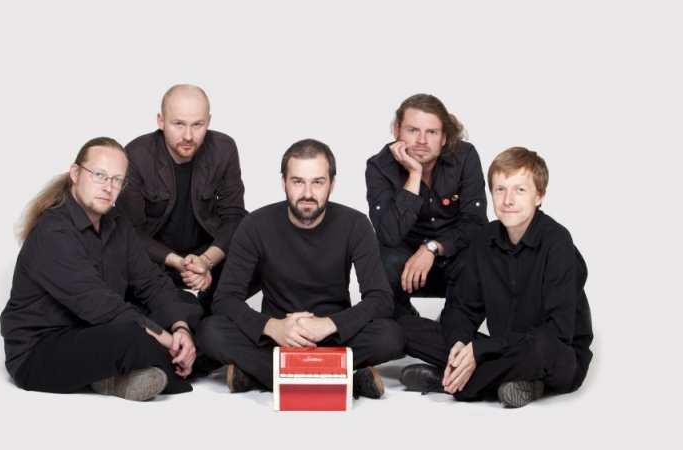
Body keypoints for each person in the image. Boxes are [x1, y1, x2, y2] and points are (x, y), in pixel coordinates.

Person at [196, 138, 405, 400]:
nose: (307, 193)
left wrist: (328, 324)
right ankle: (340, 376)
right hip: (275, 338)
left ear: (332, 184)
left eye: (317, 182)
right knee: (210, 331)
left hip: (334, 336)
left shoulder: (355, 224)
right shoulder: (256, 224)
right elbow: (225, 299)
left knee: (391, 336)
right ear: (283, 182)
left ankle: (262, 374)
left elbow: (380, 299)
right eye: (298, 182)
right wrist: (273, 327)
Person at [0, 137, 202, 401]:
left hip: (95, 330)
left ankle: (117, 372)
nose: (108, 187)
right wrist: (168, 340)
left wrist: (180, 328)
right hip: (41, 351)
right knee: (132, 335)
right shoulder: (53, 233)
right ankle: (177, 361)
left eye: (117, 180)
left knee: (187, 304)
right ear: (75, 173)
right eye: (99, 175)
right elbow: (100, 306)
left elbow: (151, 282)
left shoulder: (118, 224)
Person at [397, 147, 594, 408]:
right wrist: (460, 344)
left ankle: (453, 383)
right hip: (502, 349)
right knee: (404, 328)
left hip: (556, 357)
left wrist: (480, 351)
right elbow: (462, 308)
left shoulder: (558, 242)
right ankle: (512, 382)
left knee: (541, 347)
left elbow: (558, 332)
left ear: (539, 196)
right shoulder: (484, 239)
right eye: (500, 189)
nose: (508, 200)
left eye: (520, 190)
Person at [118, 84, 259, 318]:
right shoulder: (135, 155)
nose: (188, 136)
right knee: (119, 268)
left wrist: (205, 261)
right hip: (156, 261)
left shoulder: (224, 149)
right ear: (161, 121)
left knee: (261, 256)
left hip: (207, 253)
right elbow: (131, 231)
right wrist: (179, 263)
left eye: (197, 125)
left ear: (208, 121)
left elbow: (234, 217)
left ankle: (206, 309)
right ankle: (181, 308)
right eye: (178, 124)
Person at [366, 93, 488, 319]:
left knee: (482, 259)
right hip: (406, 264)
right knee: (380, 259)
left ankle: (453, 323)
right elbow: (388, 235)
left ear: (444, 137)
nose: (421, 140)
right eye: (413, 130)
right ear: (397, 131)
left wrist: (433, 247)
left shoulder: (465, 157)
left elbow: (477, 224)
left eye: (431, 132)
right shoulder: (379, 166)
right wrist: (414, 173)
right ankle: (407, 322)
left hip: (454, 256)